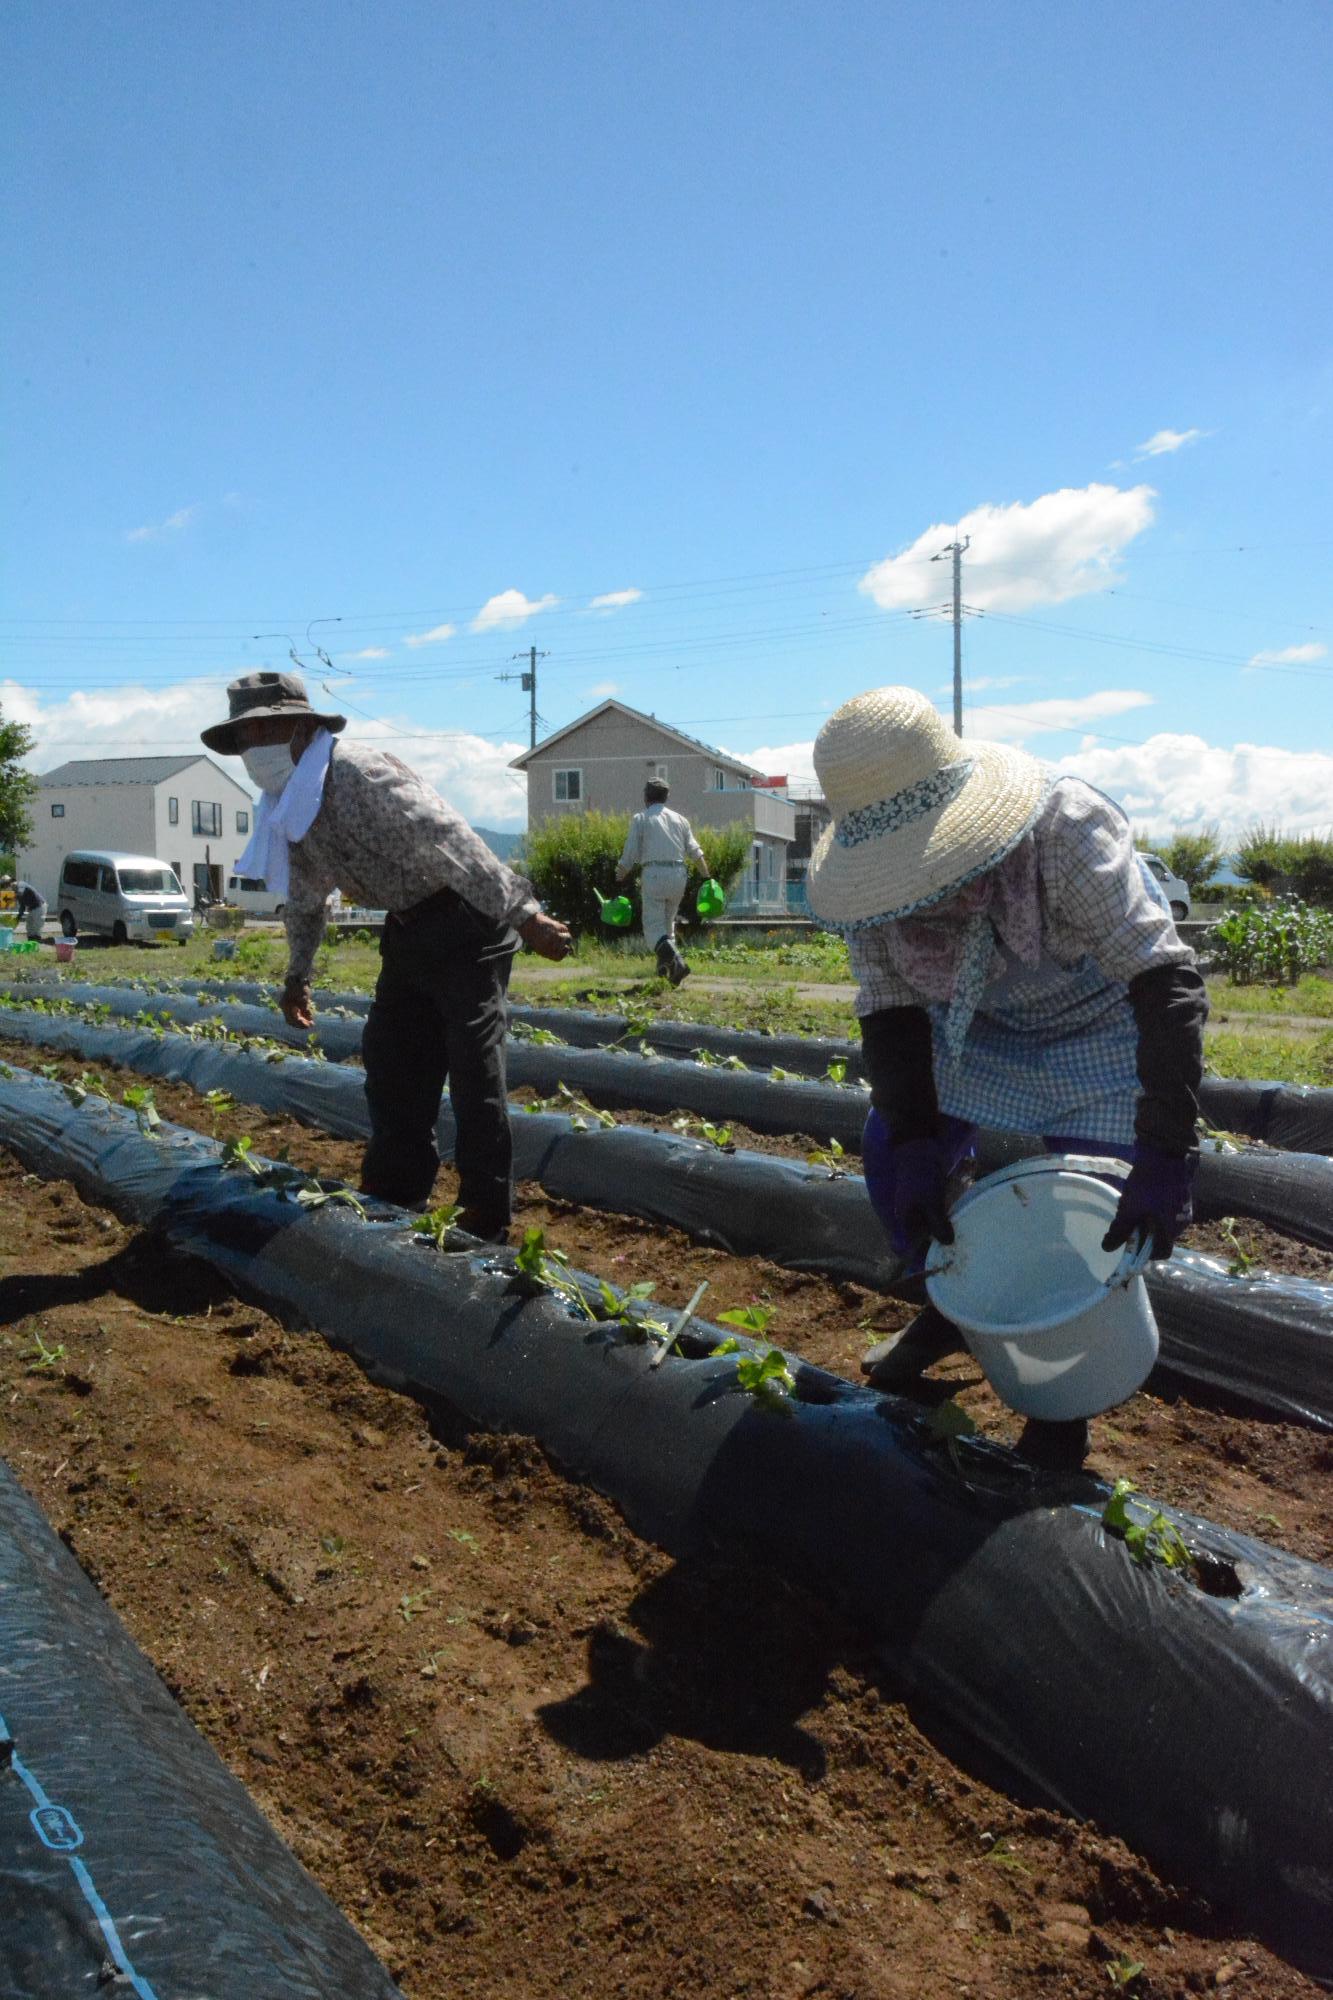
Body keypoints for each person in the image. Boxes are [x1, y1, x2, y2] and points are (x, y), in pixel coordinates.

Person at [805, 686, 1208, 1470]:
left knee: (1078, 1215)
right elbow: (890, 1013)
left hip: (1100, 1019)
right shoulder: (868, 895)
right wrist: (922, 1143)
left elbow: (1162, 981)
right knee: (891, 1158)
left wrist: (1166, 1150)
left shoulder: (1064, 832)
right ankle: (949, 1309)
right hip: (976, 1024)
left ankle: (1061, 1403)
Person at [201, 672, 572, 1238]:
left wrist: (527, 917)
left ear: (300, 728)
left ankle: (486, 1212)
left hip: (468, 921)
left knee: (474, 1067)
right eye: (245, 738)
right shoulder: (289, 808)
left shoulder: (359, 776)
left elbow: (452, 841)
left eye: (263, 731)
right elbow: (306, 899)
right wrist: (297, 976)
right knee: (392, 1061)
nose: (254, 749)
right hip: (408, 927)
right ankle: (397, 1188)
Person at [617, 779, 707, 984]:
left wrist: (620, 874)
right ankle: (666, 973)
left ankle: (678, 963)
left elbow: (629, 853)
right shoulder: (681, 820)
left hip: (654, 873)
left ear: (646, 796)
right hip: (678, 874)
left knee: (653, 928)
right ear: (666, 797)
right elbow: (695, 851)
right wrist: (707, 877)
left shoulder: (641, 818)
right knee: (668, 927)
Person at [3, 876, 47, 941]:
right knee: (29, 926)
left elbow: (20, 893)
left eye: (8, 884)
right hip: (31, 908)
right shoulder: (16, 893)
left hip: (39, 906)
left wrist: (9, 901)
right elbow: (22, 907)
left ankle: (37, 942)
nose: (9, 887)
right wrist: (18, 918)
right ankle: (30, 942)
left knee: (36, 927)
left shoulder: (21, 884)